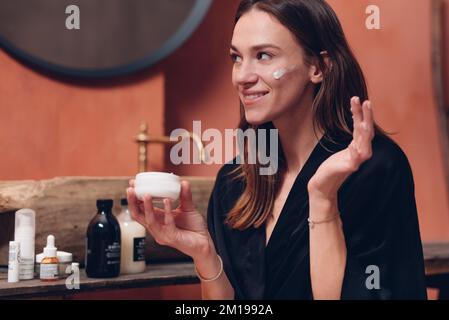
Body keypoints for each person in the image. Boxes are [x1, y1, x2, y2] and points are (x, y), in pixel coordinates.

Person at [127, 0, 427, 300]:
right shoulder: (235, 181)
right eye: (236, 57)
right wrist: (205, 254)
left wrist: (322, 200)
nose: (242, 76)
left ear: (318, 67)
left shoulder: (376, 168)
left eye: (263, 56)